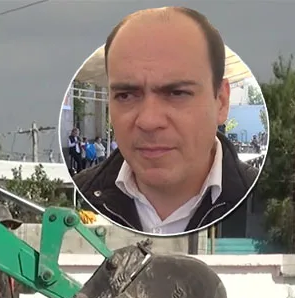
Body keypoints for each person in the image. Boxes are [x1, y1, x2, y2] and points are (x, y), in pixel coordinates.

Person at [73, 6, 259, 236]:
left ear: (221, 102)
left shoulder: (263, 203)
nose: (149, 121)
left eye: (177, 93)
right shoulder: (78, 196)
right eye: (126, 95)